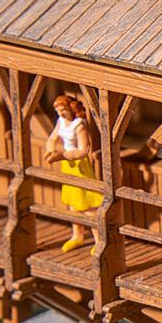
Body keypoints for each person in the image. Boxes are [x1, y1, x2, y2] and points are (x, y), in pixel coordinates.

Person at [44, 93, 103, 253]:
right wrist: (50, 150)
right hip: (67, 164)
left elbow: (83, 150)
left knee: (87, 204)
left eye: (63, 110)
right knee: (72, 202)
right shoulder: (61, 121)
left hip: (79, 164)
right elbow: (53, 138)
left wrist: (63, 155)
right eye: (58, 111)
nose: (61, 113)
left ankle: (99, 239)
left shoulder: (79, 125)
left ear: (70, 108)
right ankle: (77, 235)